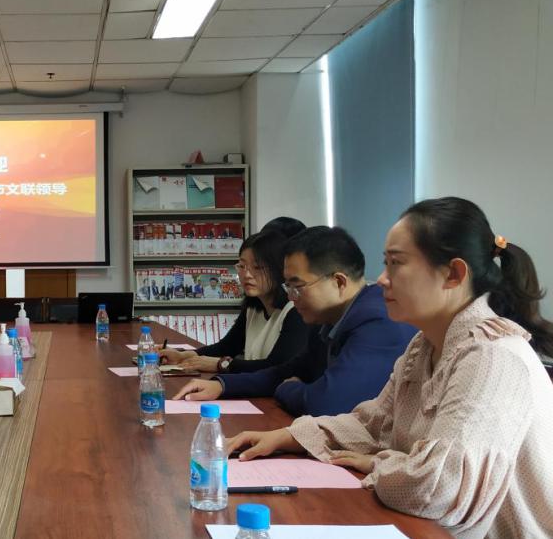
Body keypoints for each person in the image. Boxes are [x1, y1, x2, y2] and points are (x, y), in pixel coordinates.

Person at [226, 198, 553, 538]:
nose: (381, 279)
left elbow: (438, 489)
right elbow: (373, 425)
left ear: (453, 274)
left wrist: (380, 462)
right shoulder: (424, 345)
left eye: (396, 263)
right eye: (385, 263)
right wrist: (288, 436)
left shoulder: (492, 356)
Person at [173, 226, 417, 417]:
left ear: (339, 282)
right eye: (287, 286)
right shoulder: (328, 317)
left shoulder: (378, 321)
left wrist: (287, 389)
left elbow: (326, 403)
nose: (290, 297)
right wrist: (222, 386)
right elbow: (288, 371)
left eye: (297, 286)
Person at [160, 230, 309, 374]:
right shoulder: (253, 307)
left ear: (278, 269)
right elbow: (226, 347)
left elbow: (276, 367)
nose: (247, 274)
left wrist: (221, 364)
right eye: (242, 266)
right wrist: (183, 356)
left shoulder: (296, 311)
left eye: (257, 267)